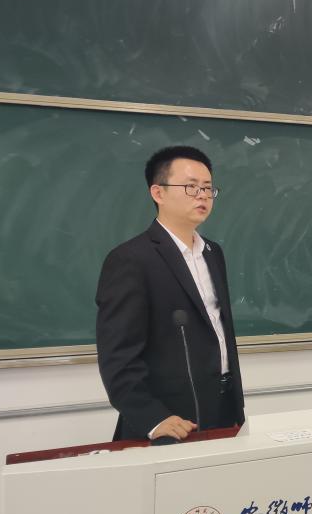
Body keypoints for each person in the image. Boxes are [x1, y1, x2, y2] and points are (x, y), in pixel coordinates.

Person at [95, 146, 244, 441]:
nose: (202, 195)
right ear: (158, 193)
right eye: (191, 187)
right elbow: (117, 356)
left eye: (208, 188)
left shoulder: (213, 253)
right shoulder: (131, 259)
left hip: (224, 409)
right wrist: (153, 418)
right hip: (168, 419)